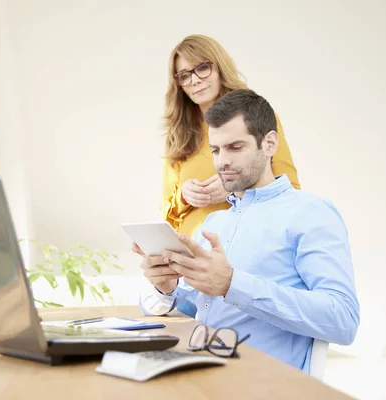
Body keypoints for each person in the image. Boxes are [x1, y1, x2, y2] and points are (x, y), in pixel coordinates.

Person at [137, 89, 360, 373]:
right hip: (204, 376)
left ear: (269, 144)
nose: (222, 161)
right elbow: (202, 306)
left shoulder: (310, 213)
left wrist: (232, 284)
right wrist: (165, 287)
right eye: (216, 150)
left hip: (262, 385)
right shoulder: (215, 224)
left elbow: (343, 320)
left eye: (235, 147)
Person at [159, 34, 301, 317]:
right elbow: (167, 213)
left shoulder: (256, 118)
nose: (195, 80)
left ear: (219, 66)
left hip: (235, 270)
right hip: (187, 271)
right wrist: (184, 195)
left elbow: (291, 189)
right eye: (184, 75)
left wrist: (234, 188)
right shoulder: (178, 134)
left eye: (202, 68)